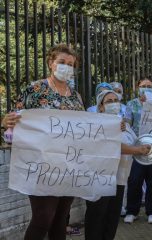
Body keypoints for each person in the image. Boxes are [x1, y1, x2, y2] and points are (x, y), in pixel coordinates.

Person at [0, 44, 84, 240]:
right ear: (51, 63)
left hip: (68, 166)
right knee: (43, 218)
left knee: (61, 218)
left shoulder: (76, 97)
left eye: (71, 64)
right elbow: (15, 119)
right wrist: (5, 122)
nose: (66, 67)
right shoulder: (35, 89)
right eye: (62, 62)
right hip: (40, 165)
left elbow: (83, 129)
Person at [84, 90, 150, 240]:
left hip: (119, 179)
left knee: (112, 218)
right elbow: (112, 145)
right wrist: (137, 150)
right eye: (109, 101)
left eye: (116, 100)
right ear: (100, 107)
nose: (114, 103)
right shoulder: (95, 123)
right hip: (99, 178)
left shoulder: (123, 124)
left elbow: (134, 140)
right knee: (97, 217)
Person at [124, 77, 152, 225]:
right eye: (143, 86)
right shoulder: (131, 104)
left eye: (149, 86)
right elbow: (127, 125)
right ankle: (132, 211)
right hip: (137, 148)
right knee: (134, 180)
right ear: (138, 88)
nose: (146, 88)